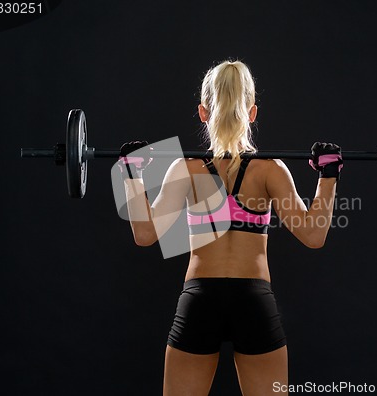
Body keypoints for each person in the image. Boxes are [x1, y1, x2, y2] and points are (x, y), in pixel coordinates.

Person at [118, 60, 342, 396]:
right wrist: (328, 176)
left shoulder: (188, 168)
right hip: (253, 302)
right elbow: (313, 236)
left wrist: (131, 174)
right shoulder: (270, 170)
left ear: (202, 112)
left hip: (200, 300)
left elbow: (145, 235)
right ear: (252, 112)